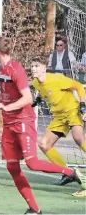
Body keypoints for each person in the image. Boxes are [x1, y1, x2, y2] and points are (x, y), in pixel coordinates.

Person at [0, 35, 86, 215]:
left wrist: (7, 106)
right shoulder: (1, 69)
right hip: (10, 124)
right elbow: (5, 96)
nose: (33, 69)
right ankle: (34, 208)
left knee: (32, 163)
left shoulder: (16, 70)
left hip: (24, 122)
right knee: (12, 167)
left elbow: (27, 98)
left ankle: (70, 172)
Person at [31, 56, 86, 186]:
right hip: (59, 117)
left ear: (44, 68)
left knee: (78, 137)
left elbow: (78, 86)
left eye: (36, 66)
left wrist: (83, 105)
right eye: (32, 66)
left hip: (72, 111)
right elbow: (41, 90)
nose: (33, 68)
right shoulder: (35, 83)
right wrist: (38, 99)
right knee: (44, 144)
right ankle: (68, 173)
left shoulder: (56, 79)